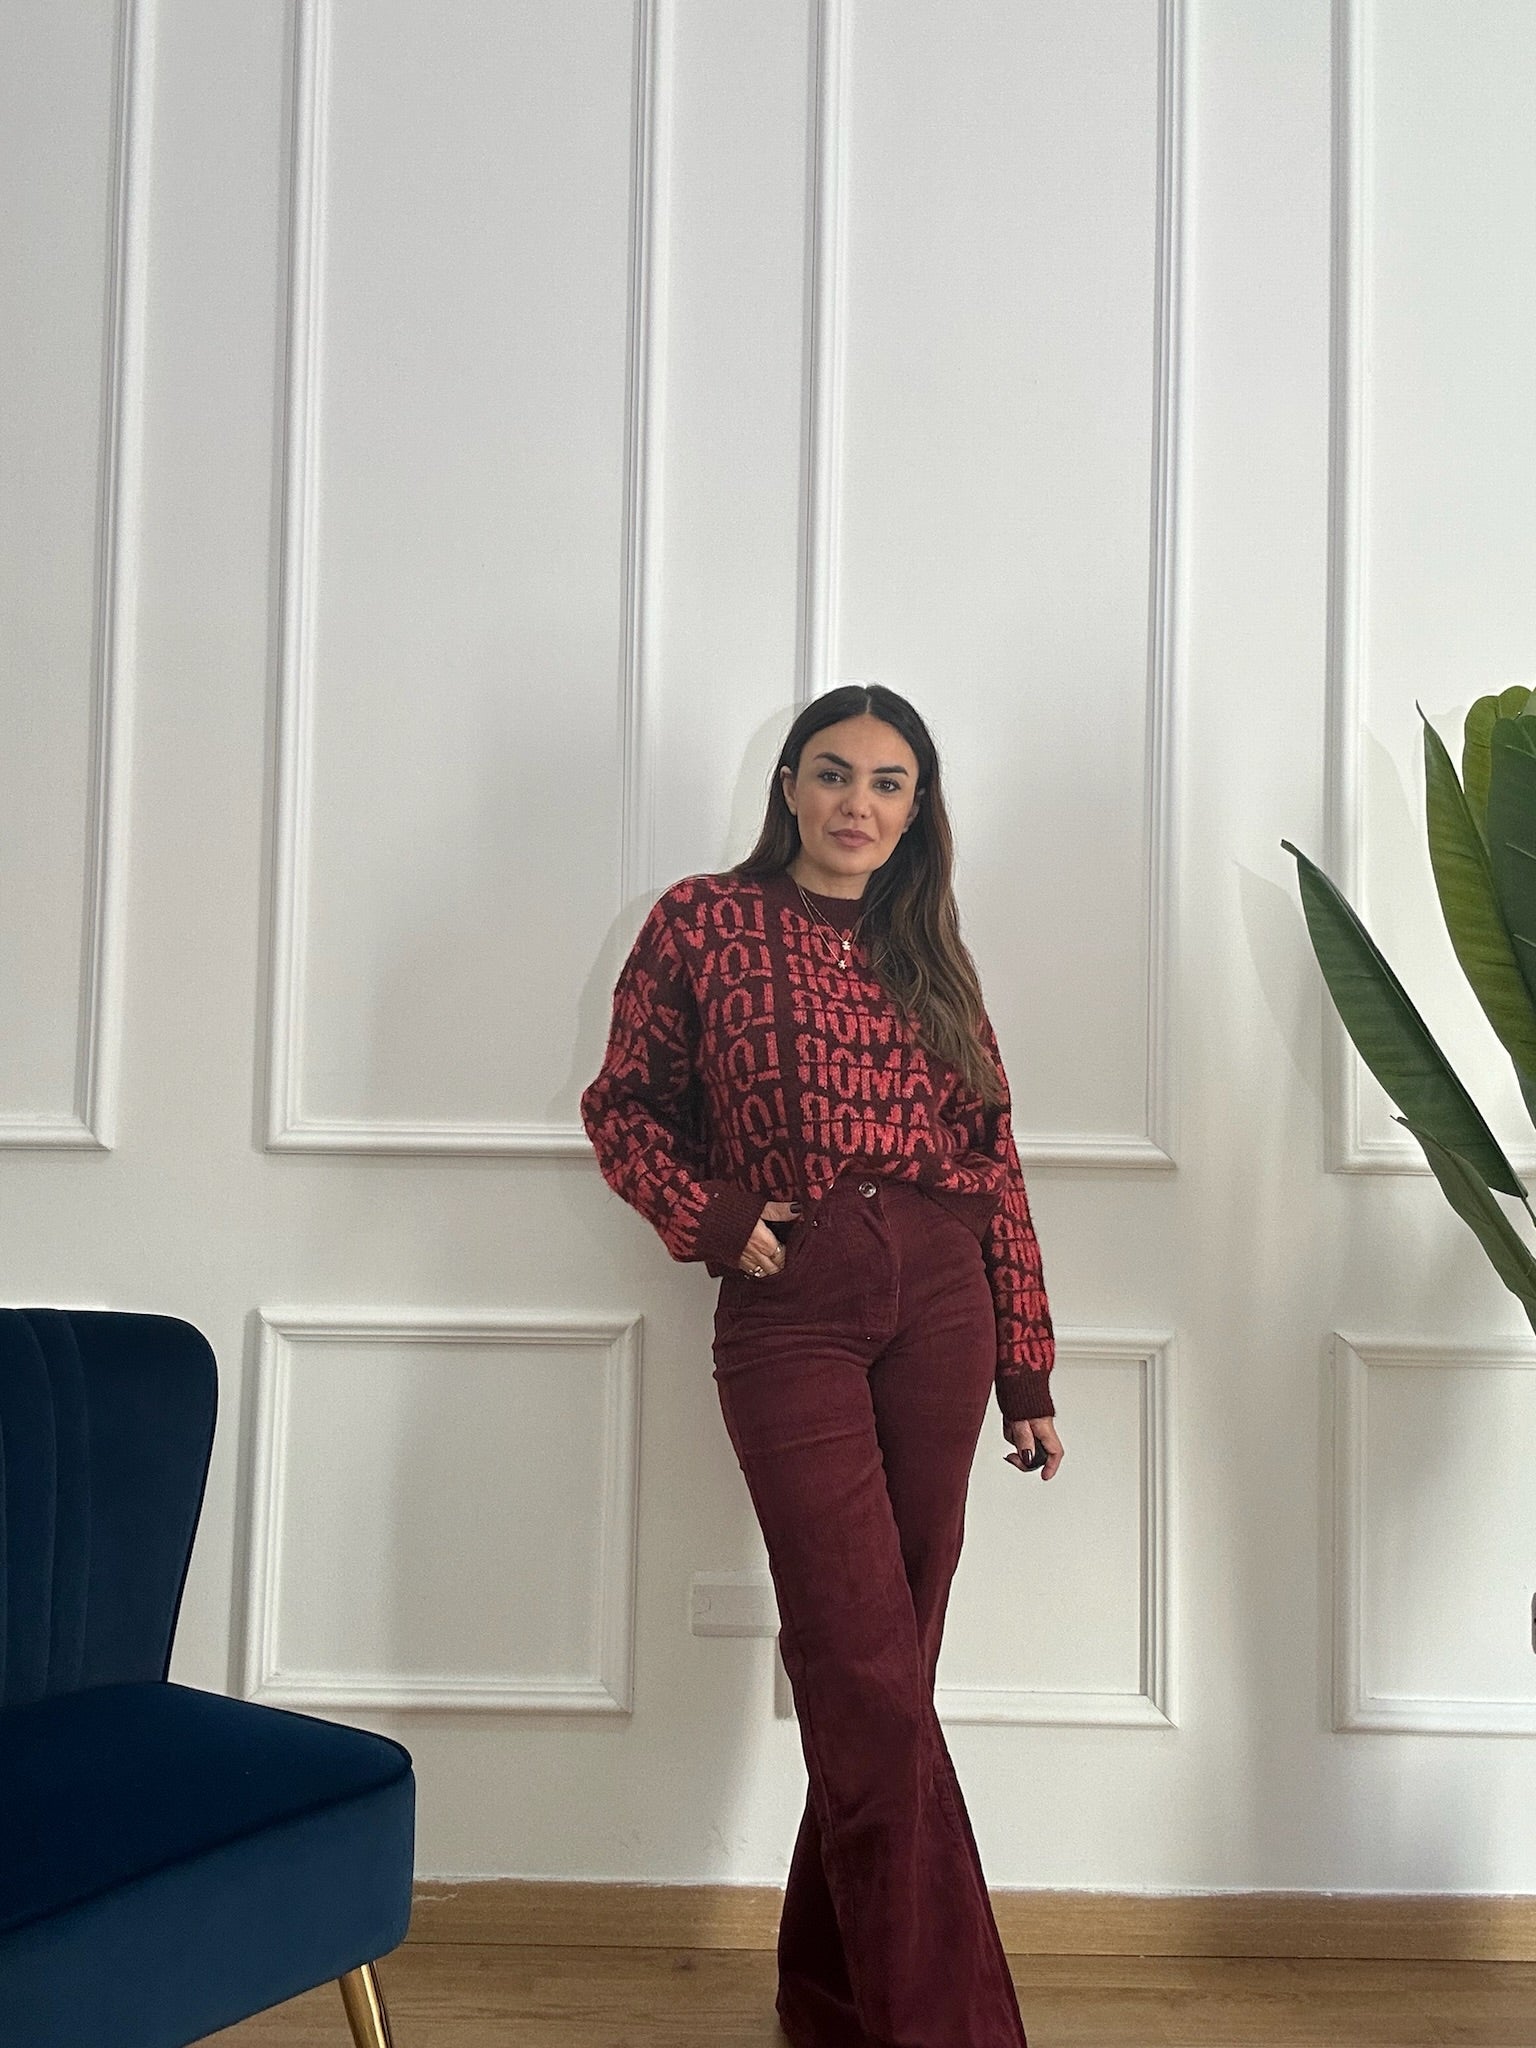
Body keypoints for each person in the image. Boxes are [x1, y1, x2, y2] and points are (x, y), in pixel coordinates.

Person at [580, 682, 1062, 2048]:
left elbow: (995, 1163)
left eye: (889, 782)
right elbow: (623, 1108)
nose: (859, 802)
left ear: (918, 809)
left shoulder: (934, 957)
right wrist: (717, 1218)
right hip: (793, 1306)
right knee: (861, 1665)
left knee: (888, 1673)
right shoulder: (703, 924)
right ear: (788, 785)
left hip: (944, 1303)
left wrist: (1025, 1367)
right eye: (834, 772)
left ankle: (832, 1996)